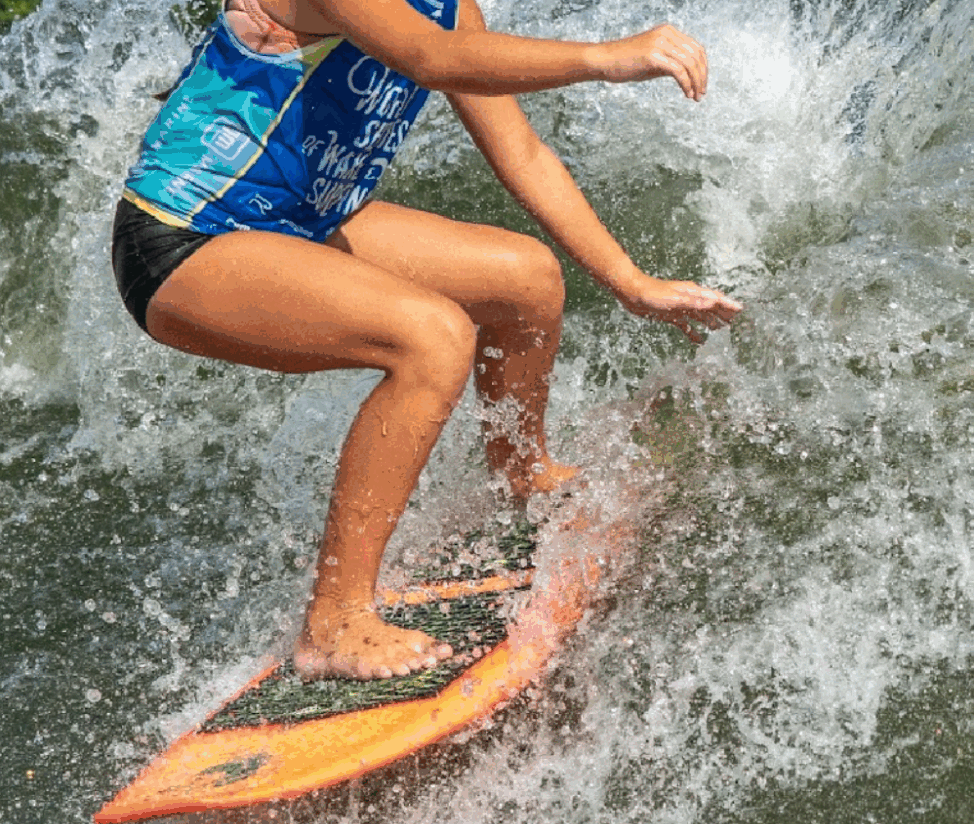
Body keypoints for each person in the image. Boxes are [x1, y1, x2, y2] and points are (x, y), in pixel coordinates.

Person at [111, 0, 741, 681]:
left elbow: (523, 153)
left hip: (294, 222)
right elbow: (432, 60)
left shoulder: (449, 5)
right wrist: (602, 57)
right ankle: (334, 619)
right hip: (185, 238)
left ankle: (523, 479)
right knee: (431, 337)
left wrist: (629, 280)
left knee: (524, 280)